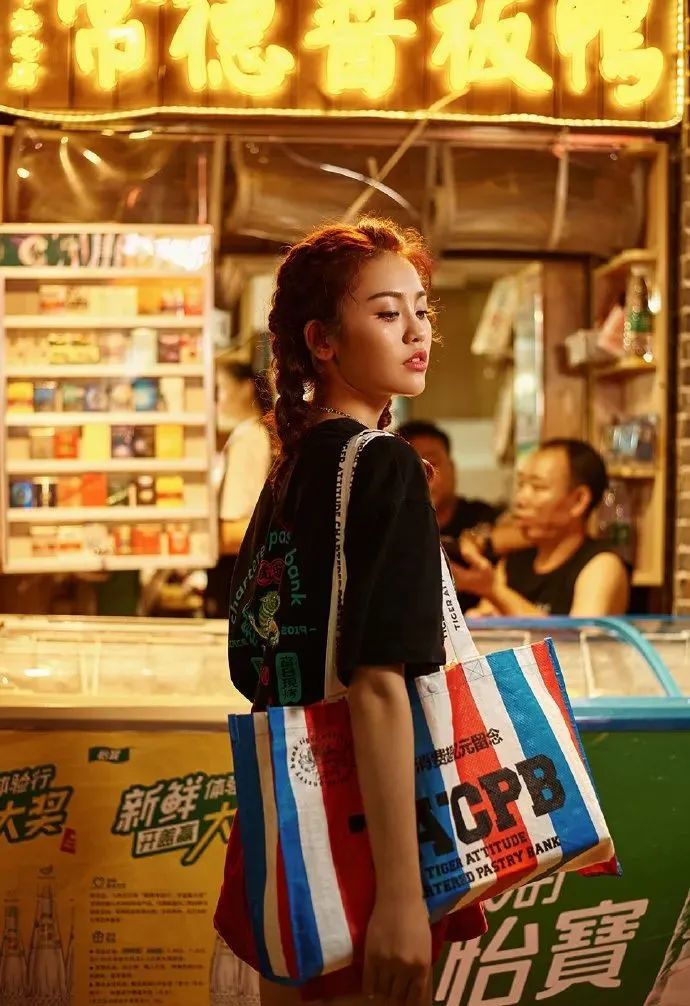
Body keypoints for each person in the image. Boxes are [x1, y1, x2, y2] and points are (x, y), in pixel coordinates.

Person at [216, 219, 486, 1006]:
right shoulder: (385, 466)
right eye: (387, 312)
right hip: (369, 837)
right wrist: (401, 898)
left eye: (422, 310)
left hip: (288, 833)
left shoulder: (295, 464)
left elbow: (252, 658)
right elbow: (378, 687)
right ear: (322, 340)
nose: (417, 332)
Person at [466, 438, 630, 617]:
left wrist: (494, 590)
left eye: (538, 487)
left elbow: (581, 632)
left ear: (578, 501)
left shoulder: (602, 565)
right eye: (521, 485)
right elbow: (486, 615)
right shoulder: (513, 562)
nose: (520, 499)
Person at [396, 420, 517, 611]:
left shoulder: (481, 516)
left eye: (432, 463)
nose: (422, 476)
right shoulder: (391, 525)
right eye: (410, 467)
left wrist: (480, 542)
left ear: (452, 468)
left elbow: (523, 531)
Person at [204, 357, 272, 618]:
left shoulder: (249, 438)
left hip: (234, 574)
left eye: (219, 389)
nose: (215, 400)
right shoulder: (250, 434)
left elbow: (235, 528)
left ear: (245, 388)